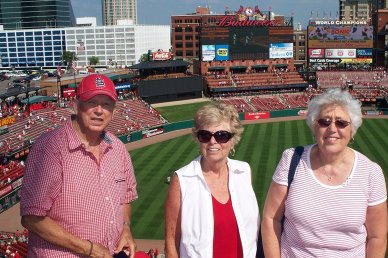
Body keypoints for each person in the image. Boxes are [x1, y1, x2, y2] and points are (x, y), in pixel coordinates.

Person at [20, 74, 138, 258]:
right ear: (76, 105)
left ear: (113, 111)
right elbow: (31, 218)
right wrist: (88, 248)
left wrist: (126, 228)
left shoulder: (118, 148)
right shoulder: (49, 148)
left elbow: (124, 199)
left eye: (106, 104)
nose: (99, 110)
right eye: (92, 102)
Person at [261, 88, 388, 257]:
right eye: (324, 122)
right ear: (314, 128)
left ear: (352, 130)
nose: (332, 129)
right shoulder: (291, 159)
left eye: (341, 123)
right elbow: (271, 219)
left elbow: (377, 237)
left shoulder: (371, 172)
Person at [165, 102, 259, 258]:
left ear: (233, 139)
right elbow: (171, 243)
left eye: (222, 135)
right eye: (205, 135)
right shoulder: (182, 180)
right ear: (198, 138)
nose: (213, 142)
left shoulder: (244, 171)